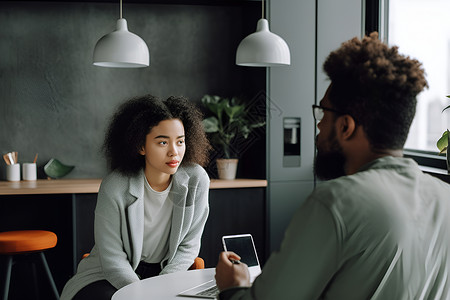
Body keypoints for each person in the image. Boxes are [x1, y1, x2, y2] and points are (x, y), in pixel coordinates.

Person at [215, 32, 450, 299]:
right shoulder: (446, 198)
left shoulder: (336, 202)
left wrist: (234, 287)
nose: (318, 124)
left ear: (345, 126)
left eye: (323, 112)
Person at [61, 95, 211, 300]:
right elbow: (113, 258)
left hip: (166, 274)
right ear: (141, 146)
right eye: (162, 142)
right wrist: (143, 293)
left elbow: (189, 246)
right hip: (107, 275)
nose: (174, 152)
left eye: (180, 141)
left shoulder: (196, 180)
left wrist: (163, 285)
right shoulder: (115, 186)